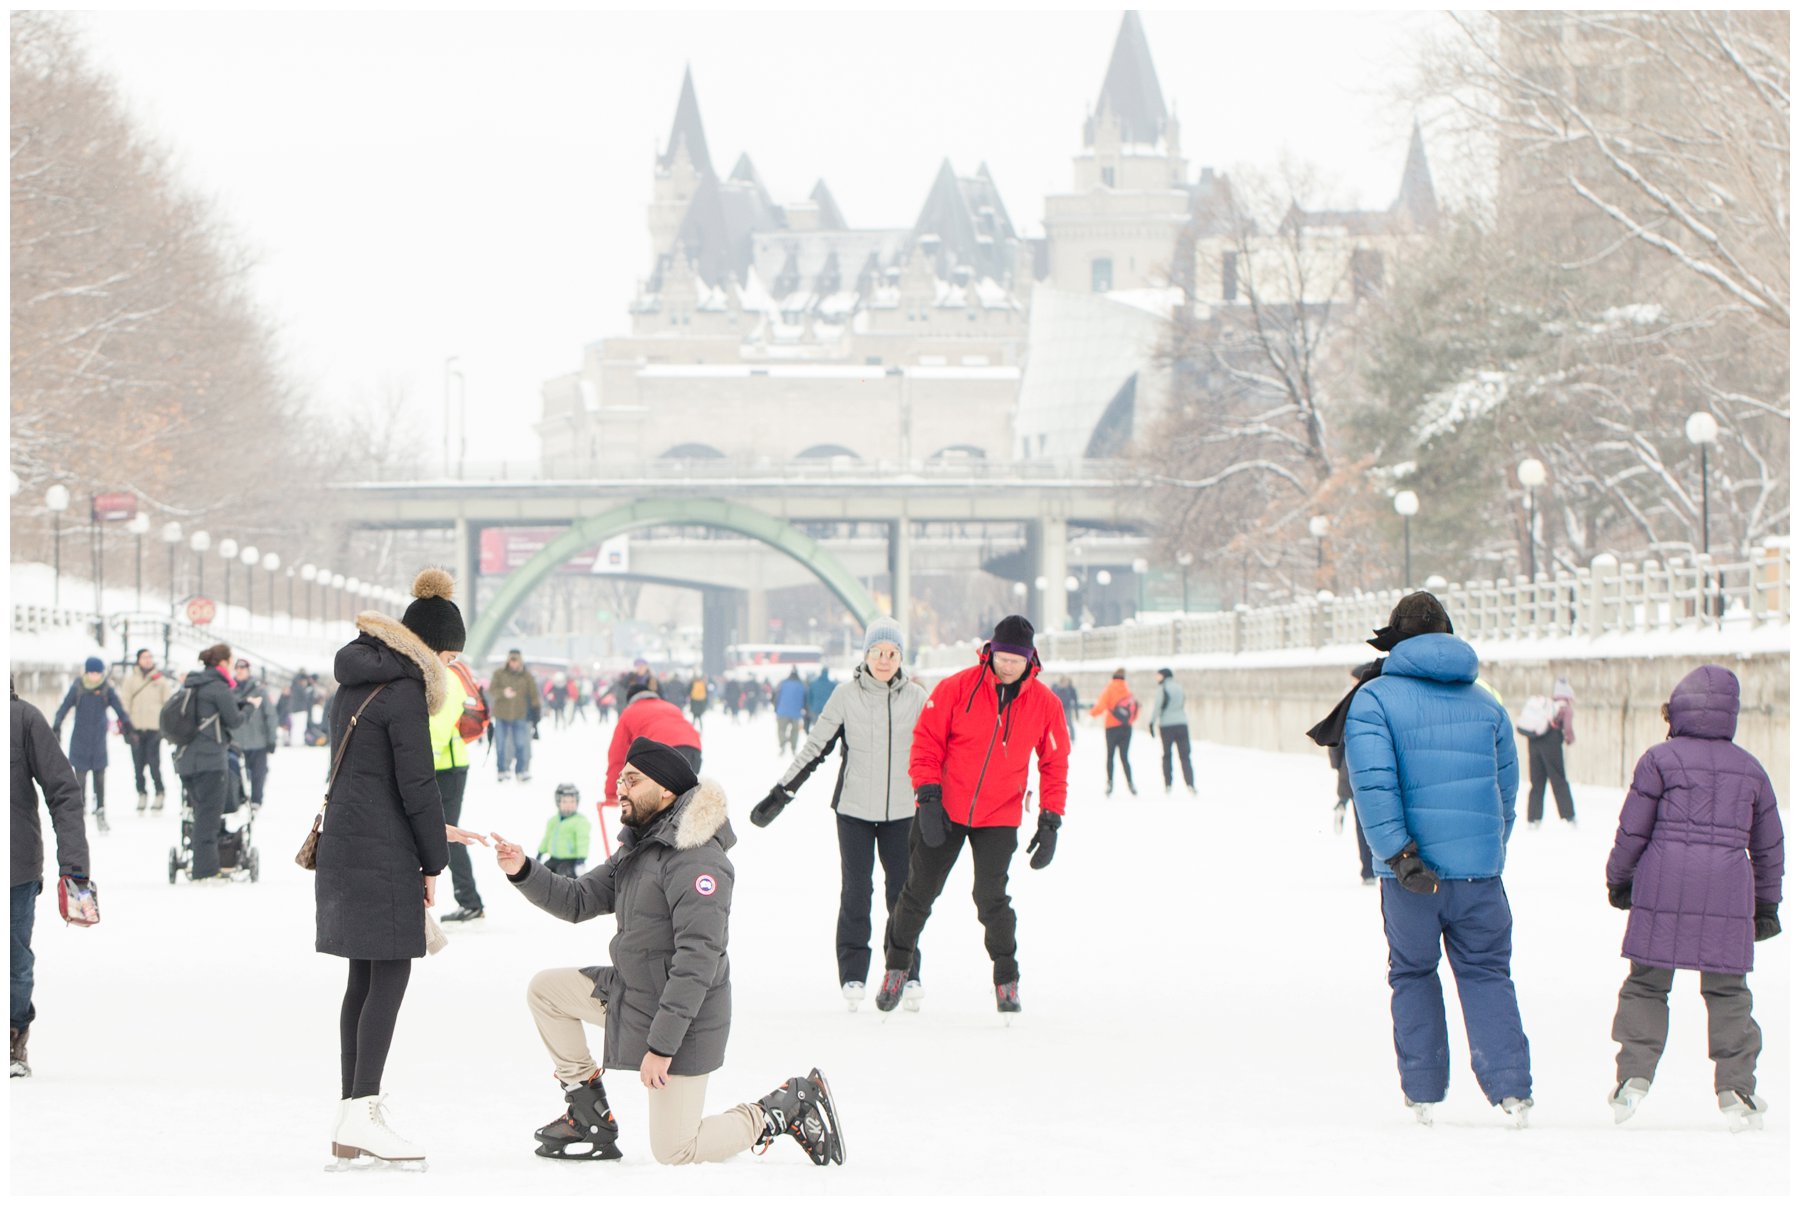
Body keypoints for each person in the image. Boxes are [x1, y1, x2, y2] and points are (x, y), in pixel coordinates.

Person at [494, 737, 846, 1167]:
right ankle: (589, 1116)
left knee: (676, 1149)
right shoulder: (641, 848)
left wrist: (661, 1048)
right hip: (634, 995)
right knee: (546, 991)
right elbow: (579, 900)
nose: (620, 786)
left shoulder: (697, 860)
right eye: (621, 777)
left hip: (686, 1021)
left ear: (666, 791)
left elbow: (698, 960)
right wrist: (524, 870)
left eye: (632, 779)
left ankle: (784, 1108)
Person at [1343, 592, 1532, 1128]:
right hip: (1480, 874)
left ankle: (1423, 1092)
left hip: (1410, 875)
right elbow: (1506, 789)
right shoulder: (1485, 701)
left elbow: (1373, 786)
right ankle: (1511, 1089)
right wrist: (1490, 850)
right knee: (1488, 973)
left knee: (1412, 972)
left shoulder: (1374, 700)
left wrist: (1398, 854)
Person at [1603, 664, 1784, 1131]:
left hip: (1663, 880)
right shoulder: (1751, 769)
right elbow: (1768, 847)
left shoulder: (1659, 760)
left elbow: (1633, 829)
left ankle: (1633, 1079)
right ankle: (1736, 1087)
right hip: (1727, 888)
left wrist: (1619, 879)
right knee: (1727, 991)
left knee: (1646, 982)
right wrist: (1766, 905)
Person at [316, 597, 453, 1168]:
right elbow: (417, 785)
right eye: (447, 653)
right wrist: (433, 862)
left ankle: (354, 1113)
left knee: (364, 975)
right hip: (383, 849)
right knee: (390, 971)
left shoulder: (357, 679)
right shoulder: (403, 694)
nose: (450, 665)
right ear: (425, 647)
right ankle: (362, 1110)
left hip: (346, 844)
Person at [878, 615, 1069, 1014]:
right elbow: (926, 741)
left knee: (991, 898)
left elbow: (1055, 762)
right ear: (990, 651)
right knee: (917, 893)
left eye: (1016, 660)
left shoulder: (1045, 704)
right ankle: (896, 968)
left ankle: (1007, 979)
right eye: (1002, 657)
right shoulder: (957, 688)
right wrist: (928, 796)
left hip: (1000, 813)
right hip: (945, 807)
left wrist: (1050, 820)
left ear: (1030, 658)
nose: (1008, 666)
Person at [751, 619, 927, 1010]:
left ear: (901, 658)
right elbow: (815, 747)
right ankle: (853, 974)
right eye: (877, 652)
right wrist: (781, 793)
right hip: (854, 811)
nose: (884, 660)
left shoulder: (916, 698)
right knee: (856, 890)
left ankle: (907, 970)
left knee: (904, 893)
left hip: (902, 811)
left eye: (892, 653)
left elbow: (938, 752)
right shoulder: (847, 696)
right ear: (865, 656)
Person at [12, 678, 93, 1078]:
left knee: (13, 960)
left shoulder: (23, 719)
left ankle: (12, 1035)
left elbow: (63, 790)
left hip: (14, 868)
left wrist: (74, 868)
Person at [401, 570, 490, 926]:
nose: (452, 661)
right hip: (440, 764)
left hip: (446, 766)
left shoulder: (445, 678)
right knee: (441, 832)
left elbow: (434, 728)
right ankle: (467, 899)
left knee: (445, 833)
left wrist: (416, 771)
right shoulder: (429, 674)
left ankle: (470, 900)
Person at [173, 645, 252, 880]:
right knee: (209, 817)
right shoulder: (219, 688)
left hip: (186, 761)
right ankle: (205, 870)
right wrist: (250, 707)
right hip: (210, 762)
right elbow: (235, 720)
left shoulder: (191, 685)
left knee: (199, 814)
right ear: (224, 663)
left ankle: (203, 864)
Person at [51, 657, 132, 833]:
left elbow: (118, 708)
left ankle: (101, 812)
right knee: (79, 781)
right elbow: (64, 707)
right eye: (91, 672)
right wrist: (57, 725)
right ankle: (79, 814)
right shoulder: (78, 687)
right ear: (86, 672)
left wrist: (127, 725)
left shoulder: (105, 689)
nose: (95, 676)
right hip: (80, 740)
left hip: (98, 742)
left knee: (100, 780)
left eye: (97, 673)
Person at [603, 682, 702, 816]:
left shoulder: (629, 712)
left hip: (663, 754)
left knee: (650, 807)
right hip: (692, 751)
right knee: (679, 801)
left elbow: (617, 755)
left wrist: (610, 794)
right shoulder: (670, 707)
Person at [1328, 662, 1377, 886]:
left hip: (1354, 768)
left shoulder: (1350, 703)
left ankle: (1367, 870)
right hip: (1371, 768)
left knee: (1363, 822)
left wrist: (1337, 766)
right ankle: (1373, 867)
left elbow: (1333, 740)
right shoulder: (1376, 699)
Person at [1519, 678, 1578, 828]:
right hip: (1551, 744)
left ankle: (1533, 819)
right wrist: (1570, 739)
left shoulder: (1547, 706)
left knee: (1537, 781)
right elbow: (1568, 730)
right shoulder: (1565, 708)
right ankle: (1569, 816)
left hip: (1534, 741)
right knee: (1558, 779)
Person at [119, 649, 173, 812]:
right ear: (138, 660)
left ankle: (159, 792)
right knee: (138, 764)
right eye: (144, 657)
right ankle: (141, 792)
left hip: (154, 727)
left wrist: (165, 726)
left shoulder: (160, 680)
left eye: (150, 657)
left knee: (154, 762)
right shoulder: (131, 681)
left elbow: (168, 704)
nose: (148, 660)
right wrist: (126, 724)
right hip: (136, 727)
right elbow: (125, 702)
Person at [231, 658, 280, 809]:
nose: (240, 671)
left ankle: (256, 800)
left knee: (259, 774)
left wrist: (272, 739)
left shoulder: (260, 691)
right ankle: (240, 799)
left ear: (248, 670)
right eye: (237, 668)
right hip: (236, 741)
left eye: (243, 668)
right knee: (236, 773)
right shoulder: (230, 691)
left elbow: (270, 715)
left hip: (258, 741)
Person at [1088, 667, 1138, 797]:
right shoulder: (1127, 690)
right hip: (1127, 728)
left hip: (1112, 727)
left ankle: (1110, 784)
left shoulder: (1109, 688)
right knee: (1125, 757)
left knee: (1110, 756)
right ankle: (1131, 783)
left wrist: (1092, 714)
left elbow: (1101, 705)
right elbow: (1135, 709)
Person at [489, 649, 537, 783]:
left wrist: (536, 712)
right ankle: (502, 770)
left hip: (520, 715)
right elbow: (492, 690)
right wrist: (503, 692)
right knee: (501, 744)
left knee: (521, 744)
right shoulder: (499, 674)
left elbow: (533, 695)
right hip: (501, 714)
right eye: (512, 660)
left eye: (516, 660)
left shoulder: (526, 676)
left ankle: (521, 771)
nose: (514, 663)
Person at [1147, 668, 1195, 795]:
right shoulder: (1179, 687)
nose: (1157, 678)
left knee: (1167, 755)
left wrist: (1151, 722)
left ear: (1164, 676)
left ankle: (1168, 784)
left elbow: (1158, 706)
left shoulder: (1162, 689)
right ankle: (1190, 783)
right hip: (1182, 724)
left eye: (1158, 676)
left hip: (1167, 725)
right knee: (1185, 756)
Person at [539, 783, 592, 876]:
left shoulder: (580, 821)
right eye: (564, 801)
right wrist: (540, 853)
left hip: (570, 861)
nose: (569, 805)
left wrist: (581, 860)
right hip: (553, 859)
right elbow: (547, 838)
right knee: (543, 874)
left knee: (564, 877)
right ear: (558, 803)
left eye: (572, 801)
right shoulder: (553, 821)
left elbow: (583, 840)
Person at [774, 669, 805, 756]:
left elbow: (776, 696)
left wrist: (776, 708)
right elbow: (805, 698)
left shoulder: (783, 683)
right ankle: (793, 747)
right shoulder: (801, 685)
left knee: (781, 729)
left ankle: (783, 743)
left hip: (782, 711)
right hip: (796, 712)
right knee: (795, 731)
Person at [1051, 675, 1080, 747]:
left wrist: (1077, 714)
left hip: (1067, 708)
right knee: (1057, 724)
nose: (1064, 684)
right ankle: (1058, 739)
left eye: (1065, 682)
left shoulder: (1070, 689)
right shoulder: (1056, 688)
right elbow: (1051, 697)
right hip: (1058, 708)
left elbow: (1075, 701)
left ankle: (1072, 739)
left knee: (1069, 723)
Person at [804, 665, 835, 733]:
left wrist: (809, 708)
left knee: (816, 728)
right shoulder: (832, 685)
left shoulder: (813, 684)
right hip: (826, 710)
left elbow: (809, 698)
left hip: (814, 709)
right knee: (824, 730)